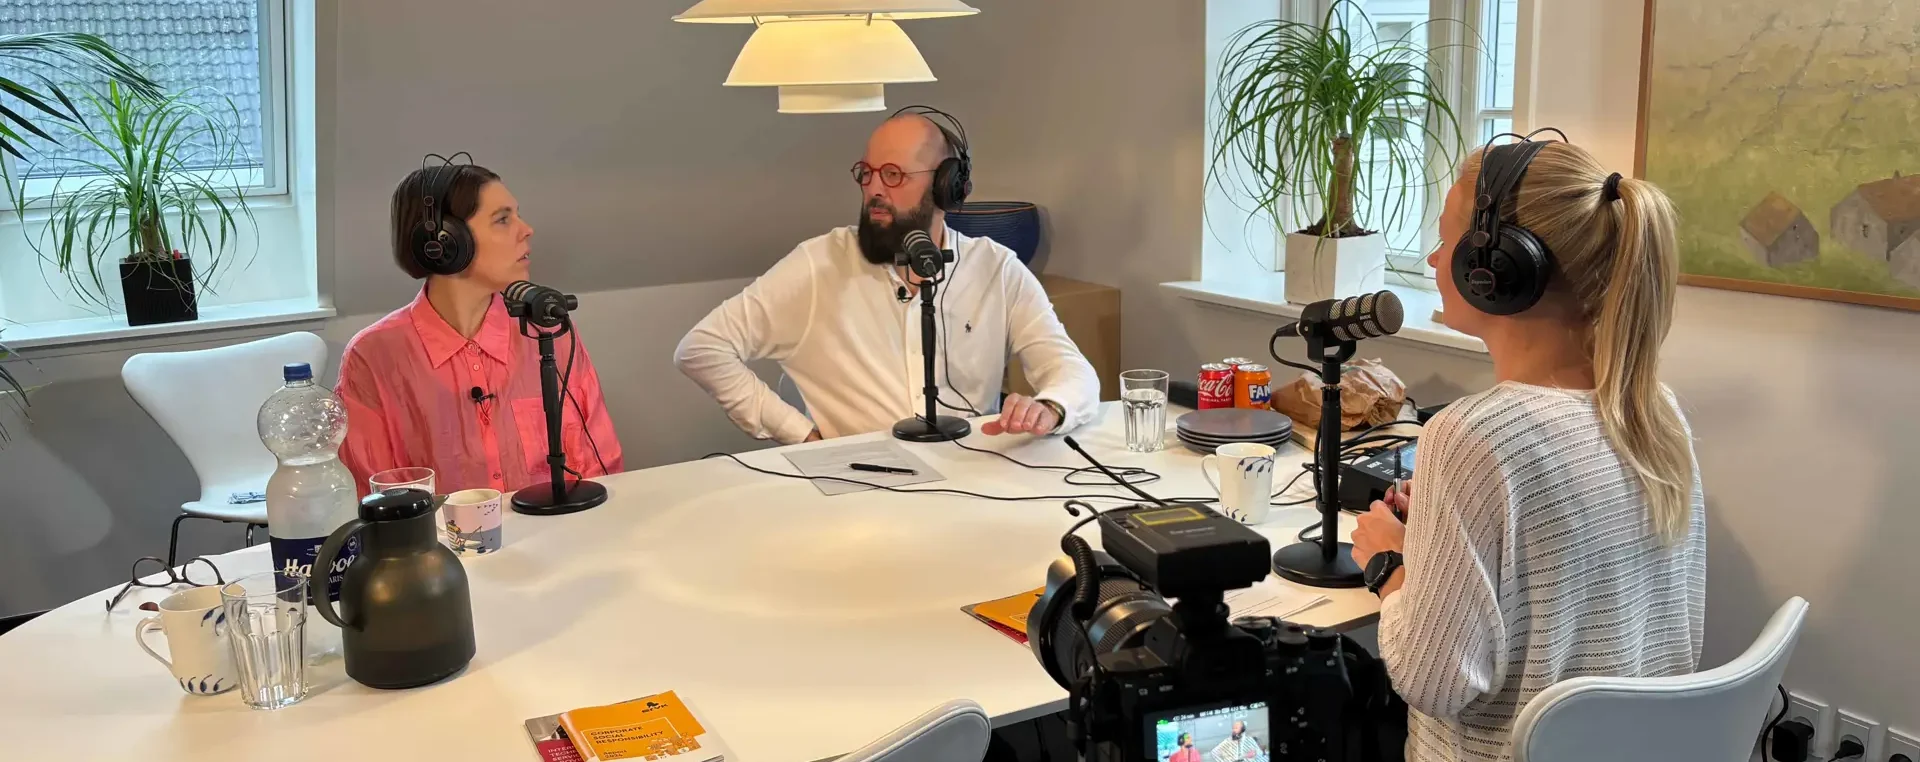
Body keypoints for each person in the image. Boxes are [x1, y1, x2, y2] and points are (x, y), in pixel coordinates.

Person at [1348, 136, 1705, 762]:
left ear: (1495, 268)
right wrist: (1440, 546)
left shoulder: (1472, 436)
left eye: (1446, 241)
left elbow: (1434, 684)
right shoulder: (1655, 411)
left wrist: (1389, 565)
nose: (1433, 259)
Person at [674, 107, 1099, 443]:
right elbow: (702, 347)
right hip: (858, 493)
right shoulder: (819, 265)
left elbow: (1071, 371)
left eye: (893, 175)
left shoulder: (996, 269)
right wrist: (800, 435)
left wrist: (1050, 407)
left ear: (947, 186)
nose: (875, 189)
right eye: (867, 173)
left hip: (972, 481)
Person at [337, 159, 624, 497]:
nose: (527, 229)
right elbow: (374, 499)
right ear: (445, 241)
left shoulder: (548, 333)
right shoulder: (374, 357)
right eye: (502, 219)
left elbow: (602, 472)